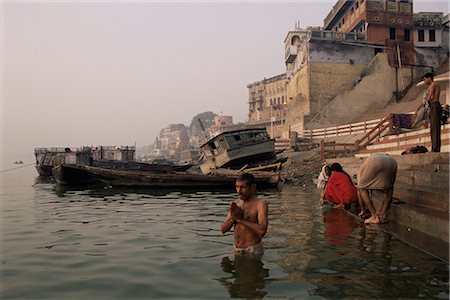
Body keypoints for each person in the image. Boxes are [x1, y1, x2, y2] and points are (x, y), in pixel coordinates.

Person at [221, 173, 268, 256]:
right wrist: (233, 219)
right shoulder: (236, 204)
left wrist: (240, 220)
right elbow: (223, 230)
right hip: (237, 249)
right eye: (237, 187)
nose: (239, 191)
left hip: (252, 250)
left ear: (253, 187)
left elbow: (262, 231)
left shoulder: (260, 204)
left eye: (242, 187)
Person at [357, 154, 397, 224]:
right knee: (390, 188)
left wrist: (363, 210)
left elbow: (360, 186)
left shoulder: (365, 163)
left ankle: (374, 216)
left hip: (375, 161)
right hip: (392, 162)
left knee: (361, 188)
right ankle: (382, 215)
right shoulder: (384, 158)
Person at [422, 73, 442, 152]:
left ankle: (435, 148)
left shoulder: (434, 84)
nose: (424, 82)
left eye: (425, 79)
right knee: (433, 128)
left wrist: (426, 99)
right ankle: (434, 147)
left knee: (435, 128)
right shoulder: (431, 86)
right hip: (432, 107)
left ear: (429, 78)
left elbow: (430, 97)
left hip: (435, 105)